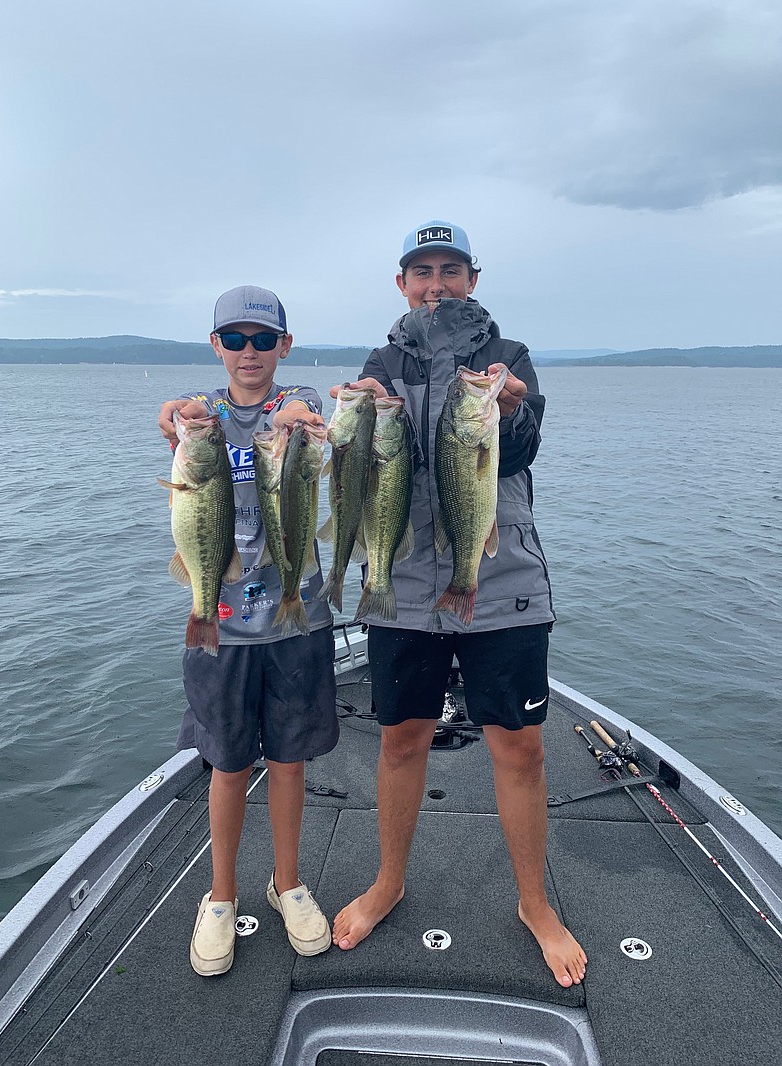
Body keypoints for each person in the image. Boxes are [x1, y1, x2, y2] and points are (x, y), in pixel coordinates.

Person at [329, 221, 587, 988]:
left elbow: (527, 448)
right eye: (421, 272)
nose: (435, 284)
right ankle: (389, 882)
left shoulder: (507, 358)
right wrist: (356, 411)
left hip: (501, 579)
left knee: (522, 747)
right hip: (403, 584)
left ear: (473, 278)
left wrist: (508, 406)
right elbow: (360, 456)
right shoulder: (384, 360)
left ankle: (534, 903)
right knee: (401, 741)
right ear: (401, 284)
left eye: (449, 270)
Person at [158, 285, 338, 975]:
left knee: (289, 762)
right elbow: (178, 419)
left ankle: (287, 881)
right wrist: (175, 419)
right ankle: (221, 894)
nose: (249, 353)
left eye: (263, 340)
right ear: (216, 348)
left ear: (283, 348)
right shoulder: (200, 421)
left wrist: (298, 415)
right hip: (223, 626)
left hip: (296, 622)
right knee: (228, 768)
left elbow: (309, 407)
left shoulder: (299, 410)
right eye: (235, 339)